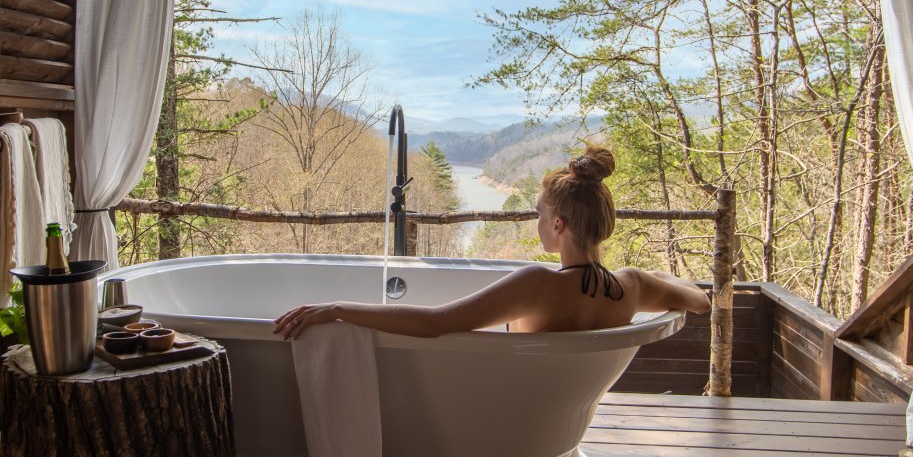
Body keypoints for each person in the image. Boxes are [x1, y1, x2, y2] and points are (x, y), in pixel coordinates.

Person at [273, 145, 710, 340]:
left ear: (558, 225)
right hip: (563, 420)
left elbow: (434, 323)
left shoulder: (538, 284)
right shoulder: (630, 286)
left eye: (538, 214)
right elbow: (700, 301)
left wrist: (335, 308)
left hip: (513, 414)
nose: (534, 222)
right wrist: (655, 276)